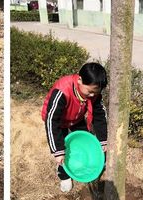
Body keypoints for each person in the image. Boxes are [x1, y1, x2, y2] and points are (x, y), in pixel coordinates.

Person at [41, 62, 108, 193]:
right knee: (63, 149)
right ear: (79, 80)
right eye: (89, 92)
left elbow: (100, 115)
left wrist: (102, 140)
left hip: (76, 117)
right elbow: (51, 121)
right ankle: (63, 174)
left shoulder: (94, 93)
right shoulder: (62, 91)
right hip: (58, 120)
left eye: (96, 92)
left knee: (85, 142)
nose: (92, 95)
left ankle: (83, 164)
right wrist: (57, 150)